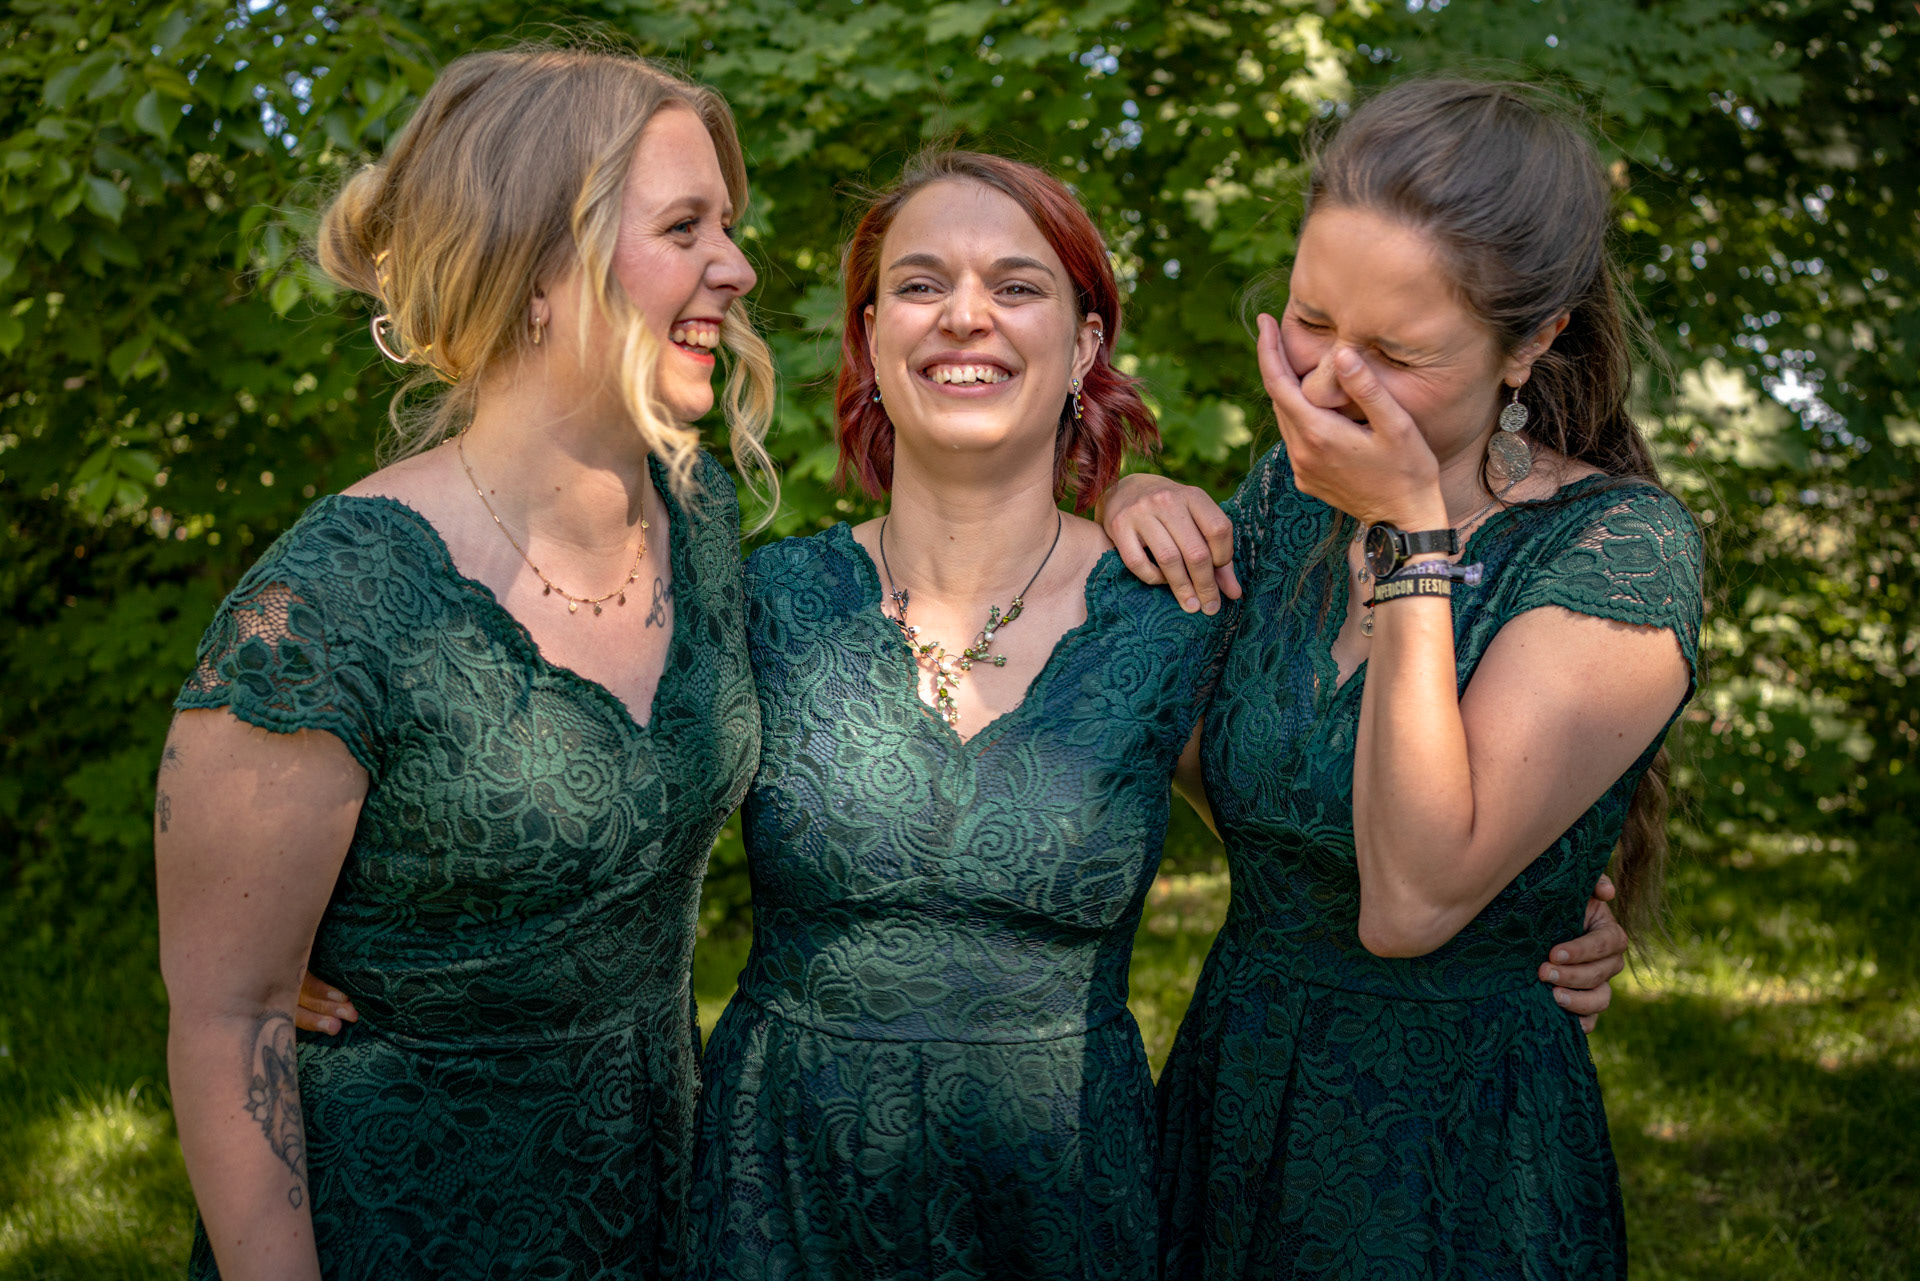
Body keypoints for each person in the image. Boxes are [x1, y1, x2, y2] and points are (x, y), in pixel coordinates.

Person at [156, 47, 772, 1280]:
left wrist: (1127, 494)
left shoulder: (696, 517)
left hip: (655, 1197)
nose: (738, 266)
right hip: (406, 1223)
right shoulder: (331, 601)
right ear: (537, 267)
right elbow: (229, 1018)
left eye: (727, 226)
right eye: (684, 227)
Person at [1104, 78, 1703, 1278]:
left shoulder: (1618, 551)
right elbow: (1226, 771)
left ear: (1531, 344)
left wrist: (1412, 545)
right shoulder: (1286, 503)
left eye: (1396, 353)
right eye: (1310, 319)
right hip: (1237, 1089)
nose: (1331, 383)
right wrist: (1132, 502)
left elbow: (1412, 904)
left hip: (1451, 1151)